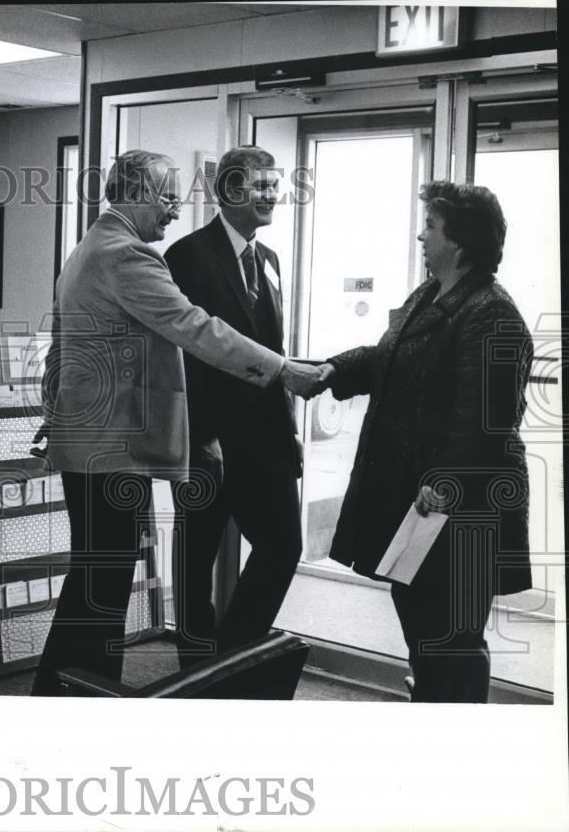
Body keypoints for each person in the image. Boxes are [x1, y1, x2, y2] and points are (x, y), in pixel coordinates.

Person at [30, 149, 325, 695]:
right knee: (103, 588)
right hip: (112, 448)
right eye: (167, 198)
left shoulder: (88, 247)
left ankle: (62, 698)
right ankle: (78, 702)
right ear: (138, 192)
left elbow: (60, 345)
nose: (173, 209)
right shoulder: (128, 255)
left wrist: (55, 413)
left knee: (94, 585)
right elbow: (196, 328)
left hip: (92, 443)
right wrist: (283, 370)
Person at [321, 180, 533, 703]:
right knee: (426, 634)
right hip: (422, 507)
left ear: (458, 242)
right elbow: (388, 357)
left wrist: (441, 482)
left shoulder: (492, 312)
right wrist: (330, 370)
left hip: (458, 511)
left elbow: (488, 422)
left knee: (452, 642)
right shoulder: (430, 294)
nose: (421, 236)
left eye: (431, 227)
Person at [165, 146, 303, 666]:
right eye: (261, 186)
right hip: (209, 439)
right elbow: (184, 353)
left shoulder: (268, 262)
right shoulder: (187, 256)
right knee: (195, 562)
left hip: (264, 437)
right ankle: (195, 673)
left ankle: (231, 655)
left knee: (282, 547)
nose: (272, 196)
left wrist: (287, 431)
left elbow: (271, 352)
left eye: (275, 185)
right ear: (228, 191)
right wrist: (202, 435)